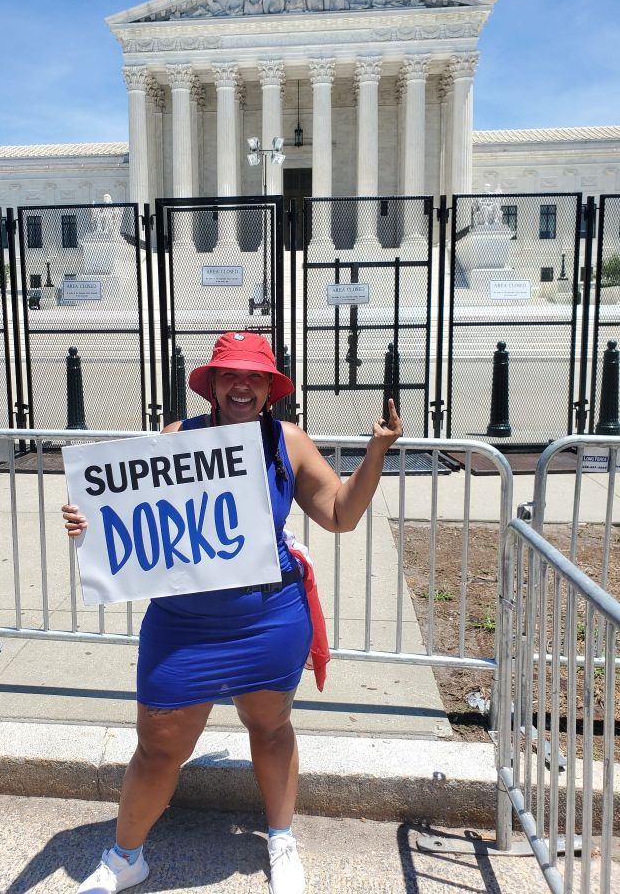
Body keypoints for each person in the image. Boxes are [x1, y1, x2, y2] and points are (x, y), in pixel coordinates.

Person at [63, 331, 402, 893]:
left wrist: (374, 456)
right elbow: (134, 518)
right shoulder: (177, 439)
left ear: (269, 388)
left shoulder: (287, 442)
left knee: (270, 728)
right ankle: (126, 856)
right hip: (183, 625)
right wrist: (88, 523)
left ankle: (282, 839)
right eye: (230, 375)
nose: (242, 385)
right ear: (213, 386)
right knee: (158, 745)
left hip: (268, 619)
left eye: (255, 377)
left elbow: (340, 515)